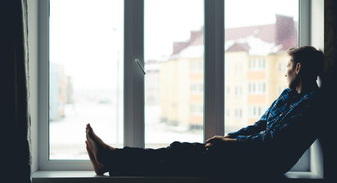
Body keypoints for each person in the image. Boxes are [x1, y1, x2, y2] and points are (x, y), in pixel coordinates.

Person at [85, 46, 324, 179]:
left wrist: (230, 144)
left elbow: (271, 143)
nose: (286, 73)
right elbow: (259, 126)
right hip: (246, 154)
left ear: (299, 68)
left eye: (288, 67)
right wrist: (228, 139)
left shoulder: (312, 105)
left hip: (260, 165)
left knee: (178, 157)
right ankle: (109, 159)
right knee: (179, 150)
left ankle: (109, 157)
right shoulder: (287, 96)